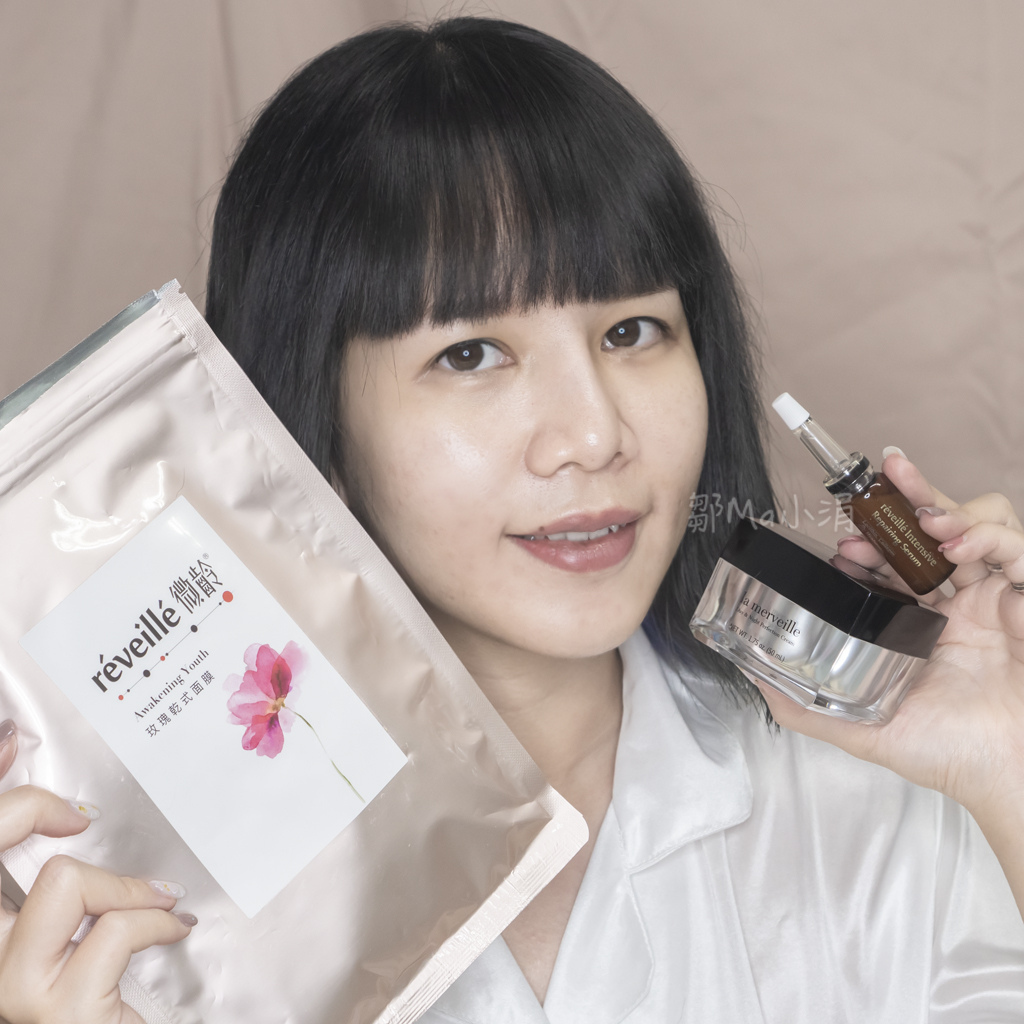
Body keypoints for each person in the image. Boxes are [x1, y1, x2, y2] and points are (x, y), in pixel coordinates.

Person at [2, 15, 1024, 1022]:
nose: (594, 434)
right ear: (304, 419)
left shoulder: (876, 797)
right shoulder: (156, 923)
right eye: (470, 354)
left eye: (632, 331)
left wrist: (1002, 762)